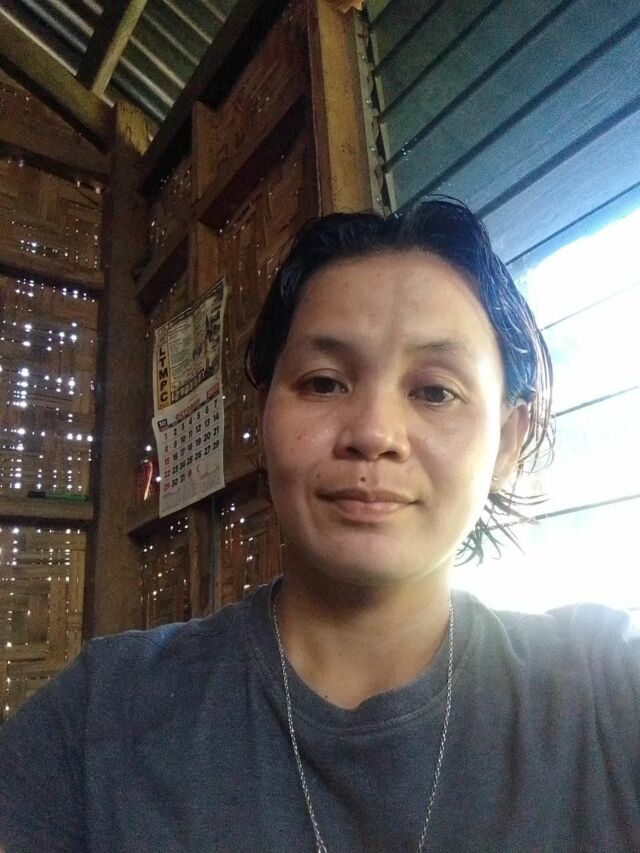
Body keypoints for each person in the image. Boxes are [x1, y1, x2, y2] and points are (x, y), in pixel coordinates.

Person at [0, 199, 638, 852]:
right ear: (263, 418)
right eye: (325, 383)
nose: (374, 433)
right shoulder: (101, 715)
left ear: (509, 441)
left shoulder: (605, 693)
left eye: (435, 391)